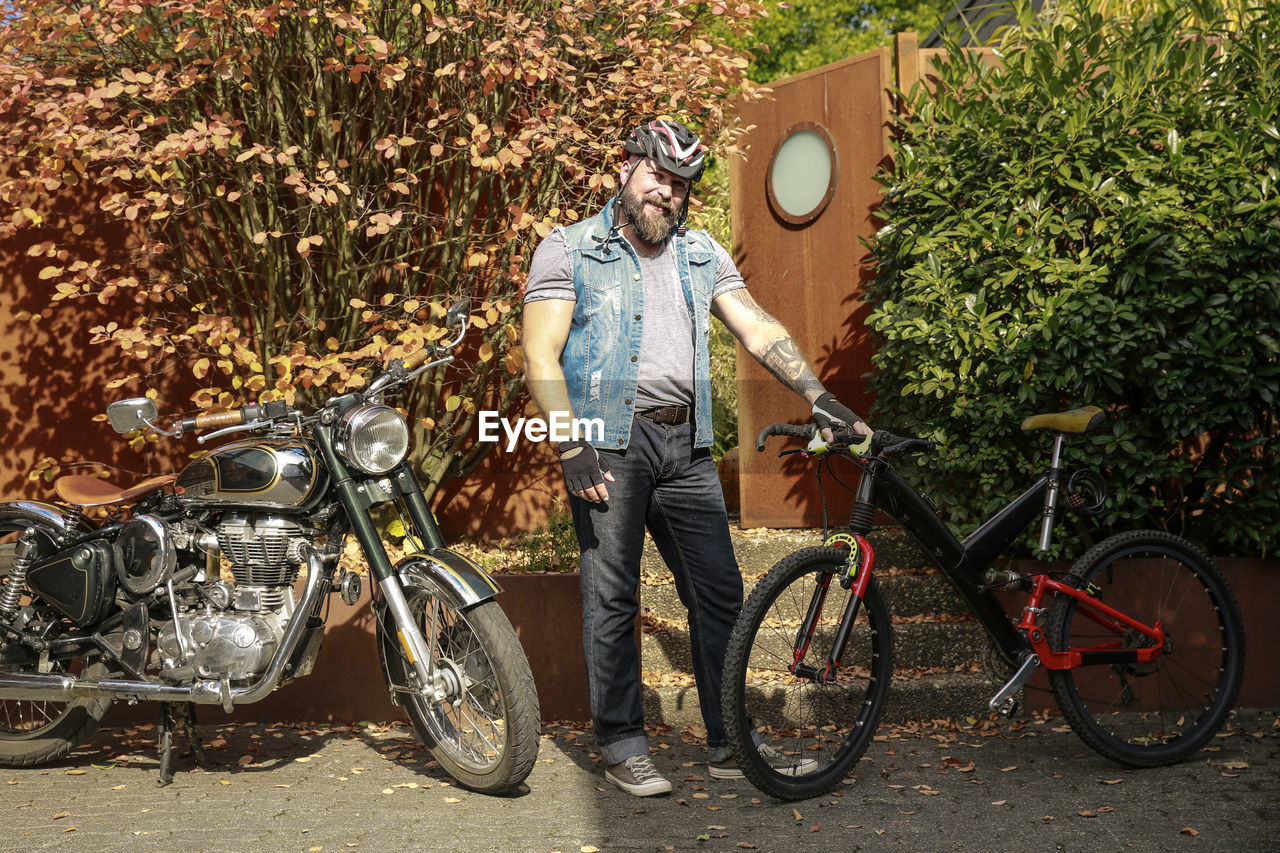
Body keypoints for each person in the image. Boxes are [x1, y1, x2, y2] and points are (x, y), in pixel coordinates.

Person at [522, 118, 870, 797]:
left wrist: (817, 392)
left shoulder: (700, 252)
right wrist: (569, 441)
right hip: (606, 444)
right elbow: (540, 353)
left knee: (720, 594)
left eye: (679, 185)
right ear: (625, 167)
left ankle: (730, 741)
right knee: (611, 594)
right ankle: (623, 744)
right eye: (658, 176)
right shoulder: (569, 249)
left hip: (685, 448)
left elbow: (756, 324)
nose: (667, 194)